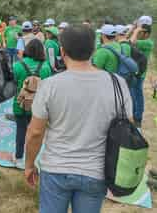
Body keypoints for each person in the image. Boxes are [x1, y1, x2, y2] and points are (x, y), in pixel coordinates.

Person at [25, 25, 133, 213]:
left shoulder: (50, 86)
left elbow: (35, 132)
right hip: (96, 170)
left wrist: (29, 165)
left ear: (62, 51)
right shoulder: (117, 84)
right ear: (93, 50)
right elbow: (129, 126)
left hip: (55, 168)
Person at [12, 39, 51, 167]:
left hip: (20, 105)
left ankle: (18, 158)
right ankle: (34, 159)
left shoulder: (18, 65)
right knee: (36, 133)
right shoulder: (46, 66)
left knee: (21, 131)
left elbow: (13, 83)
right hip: (39, 107)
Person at [130, 16, 154, 126]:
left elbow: (131, 42)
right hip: (134, 71)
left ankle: (138, 118)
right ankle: (134, 115)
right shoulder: (141, 40)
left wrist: (136, 30)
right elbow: (126, 40)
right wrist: (134, 28)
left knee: (137, 95)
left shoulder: (148, 42)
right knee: (133, 94)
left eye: (141, 32)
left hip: (140, 73)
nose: (139, 34)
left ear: (147, 33)